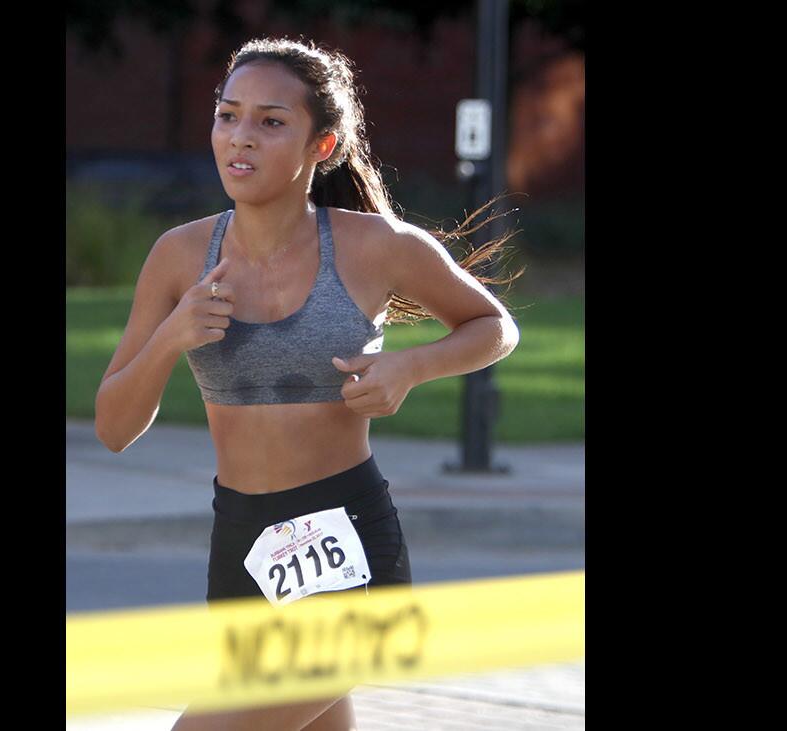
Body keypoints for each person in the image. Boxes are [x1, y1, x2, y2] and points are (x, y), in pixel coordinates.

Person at [94, 37, 522, 731]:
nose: (240, 137)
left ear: (320, 146)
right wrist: (172, 336)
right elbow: (113, 427)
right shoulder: (179, 255)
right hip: (242, 545)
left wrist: (408, 367)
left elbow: (492, 325)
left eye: (270, 121)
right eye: (227, 115)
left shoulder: (375, 245)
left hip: (346, 535)